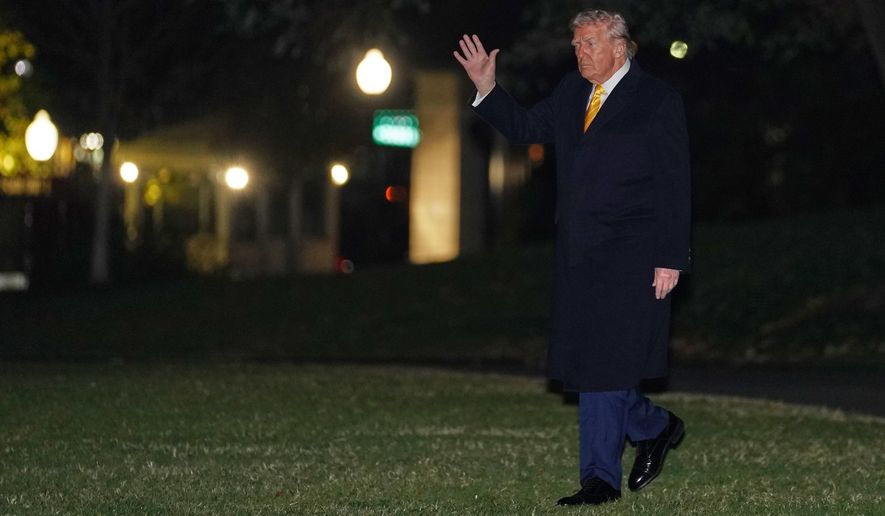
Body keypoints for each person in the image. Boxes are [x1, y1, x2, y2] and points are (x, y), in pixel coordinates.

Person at [453, 9, 691, 506]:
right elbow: (524, 128)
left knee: (605, 361)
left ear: (620, 47)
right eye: (577, 45)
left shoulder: (657, 100)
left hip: (634, 250)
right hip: (580, 253)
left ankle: (599, 480)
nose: (580, 53)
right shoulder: (570, 92)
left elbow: (674, 184)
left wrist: (670, 256)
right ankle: (654, 426)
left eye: (590, 44)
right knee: (592, 360)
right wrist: (487, 88)